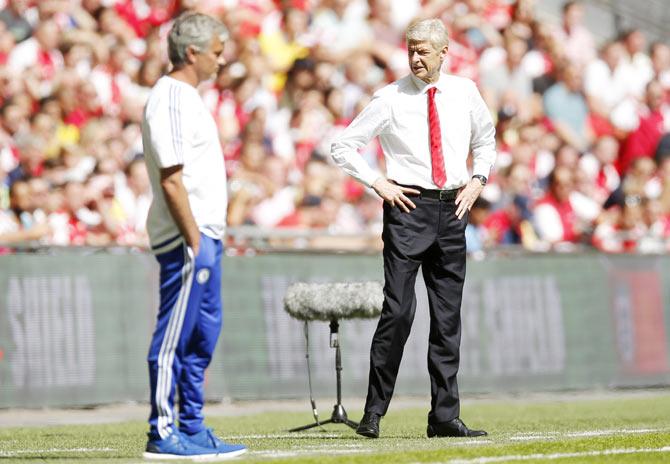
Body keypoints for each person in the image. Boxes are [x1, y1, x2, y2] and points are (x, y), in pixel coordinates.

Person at [331, 18, 496, 439]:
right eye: (411, 50)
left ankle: (444, 417)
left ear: (445, 53)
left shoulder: (465, 92)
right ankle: (373, 412)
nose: (416, 58)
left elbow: (486, 140)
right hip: (408, 207)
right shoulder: (389, 98)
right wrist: (378, 183)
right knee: (399, 312)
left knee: (447, 319)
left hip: (453, 208)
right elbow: (342, 145)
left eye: (424, 50)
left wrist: (478, 181)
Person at [141, 12, 246, 461]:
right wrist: (194, 241)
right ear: (192, 53)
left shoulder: (189, 97)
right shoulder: (170, 98)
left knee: (203, 334)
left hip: (206, 234)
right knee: (174, 337)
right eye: (217, 53)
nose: (221, 62)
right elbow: (170, 179)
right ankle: (162, 433)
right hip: (189, 237)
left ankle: (192, 425)